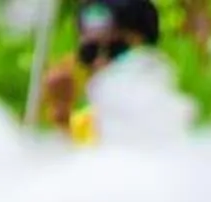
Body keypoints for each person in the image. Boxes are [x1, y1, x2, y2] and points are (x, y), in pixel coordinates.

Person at [39, 0, 162, 140]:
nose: (101, 63)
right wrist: (61, 117)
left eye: (117, 50)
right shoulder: (79, 126)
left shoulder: (174, 121)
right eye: (90, 52)